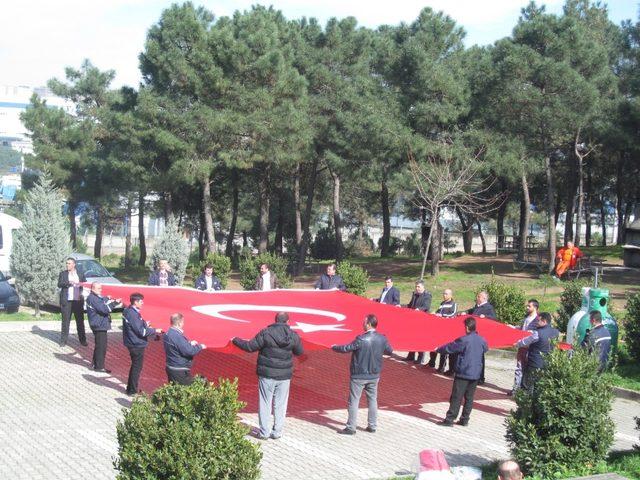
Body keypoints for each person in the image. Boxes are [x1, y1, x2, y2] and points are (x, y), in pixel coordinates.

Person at [232, 312, 303, 440]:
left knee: (265, 403)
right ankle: (277, 432)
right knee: (280, 404)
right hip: (284, 376)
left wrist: (235, 340)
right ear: (288, 321)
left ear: (275, 320)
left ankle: (264, 432)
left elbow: (250, 347)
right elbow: (299, 352)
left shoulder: (266, 333)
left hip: (267, 375)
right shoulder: (293, 335)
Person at [332, 314, 393, 435]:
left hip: (359, 375)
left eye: (364, 322)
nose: (362, 324)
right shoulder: (382, 338)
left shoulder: (361, 339)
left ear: (369, 324)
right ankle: (372, 425)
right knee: (372, 400)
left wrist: (334, 347)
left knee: (354, 401)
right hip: (374, 375)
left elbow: (347, 348)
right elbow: (390, 351)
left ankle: (351, 427)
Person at [436, 317, 488, 427]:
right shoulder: (482, 340)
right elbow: (485, 349)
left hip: (464, 372)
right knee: (469, 398)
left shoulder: (464, 340)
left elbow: (450, 348)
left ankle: (450, 419)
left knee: (456, 396)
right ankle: (465, 419)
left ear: (467, 327)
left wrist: (438, 349)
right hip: (475, 373)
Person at [122, 293, 163, 396]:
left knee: (135, 366)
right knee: (136, 368)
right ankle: (132, 391)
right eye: (141, 301)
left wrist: (145, 324)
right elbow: (142, 332)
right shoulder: (133, 314)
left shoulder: (129, 311)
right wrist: (155, 330)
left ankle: (131, 388)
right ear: (135, 302)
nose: (143, 303)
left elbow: (136, 326)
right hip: (136, 344)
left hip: (133, 342)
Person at [516, 312, 559, 391]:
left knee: (526, 386)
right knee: (539, 387)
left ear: (544, 321)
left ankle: (526, 402)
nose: (536, 322)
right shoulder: (556, 332)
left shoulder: (537, 333)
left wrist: (516, 343)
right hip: (547, 363)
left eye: (538, 320)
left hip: (534, 363)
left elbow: (524, 342)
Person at [163, 313, 206, 385]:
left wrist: (189, 343)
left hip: (171, 367)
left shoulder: (168, 333)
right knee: (187, 389)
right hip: (179, 370)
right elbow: (189, 351)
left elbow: (177, 345)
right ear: (179, 323)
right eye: (183, 322)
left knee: (174, 390)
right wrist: (200, 347)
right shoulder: (177, 336)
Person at [86, 282, 120, 373]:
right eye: (99, 289)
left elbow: (101, 302)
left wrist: (107, 298)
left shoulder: (93, 297)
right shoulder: (93, 299)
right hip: (99, 325)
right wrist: (115, 303)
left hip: (98, 324)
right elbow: (104, 309)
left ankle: (95, 363)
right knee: (101, 346)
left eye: (101, 288)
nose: (101, 290)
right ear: (93, 289)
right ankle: (99, 367)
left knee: (98, 345)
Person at [510, 299, 540, 395]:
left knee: (527, 370)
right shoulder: (526, 318)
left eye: (529, 306)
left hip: (530, 348)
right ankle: (516, 389)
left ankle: (524, 390)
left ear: (535, 307)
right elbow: (521, 328)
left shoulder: (538, 320)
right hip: (522, 347)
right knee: (519, 368)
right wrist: (512, 327)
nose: (527, 308)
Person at [58, 257, 88, 347]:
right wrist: (68, 283)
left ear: (74, 264)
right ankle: (63, 341)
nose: (67, 265)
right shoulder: (63, 274)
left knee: (80, 321)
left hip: (78, 300)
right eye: (67, 263)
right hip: (67, 301)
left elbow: (85, 284)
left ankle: (83, 340)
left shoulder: (80, 274)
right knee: (65, 322)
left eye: (69, 263)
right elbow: (59, 284)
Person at [428, 289, 458, 372]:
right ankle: (431, 362)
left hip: (447, 330)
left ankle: (441, 367)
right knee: (434, 346)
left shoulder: (454, 304)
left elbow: (453, 314)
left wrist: (442, 315)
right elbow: (438, 312)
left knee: (444, 350)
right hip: (438, 329)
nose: (444, 295)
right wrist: (435, 313)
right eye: (443, 293)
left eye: (446, 294)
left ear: (451, 295)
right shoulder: (442, 304)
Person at [405, 280, 432, 364]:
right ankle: (411, 355)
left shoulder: (427, 296)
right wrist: (401, 306)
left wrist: (418, 309)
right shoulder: (415, 295)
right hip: (413, 320)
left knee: (420, 339)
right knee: (412, 337)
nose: (417, 288)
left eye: (419, 287)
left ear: (423, 287)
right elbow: (410, 305)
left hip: (422, 321)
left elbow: (426, 306)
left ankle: (421, 358)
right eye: (416, 287)